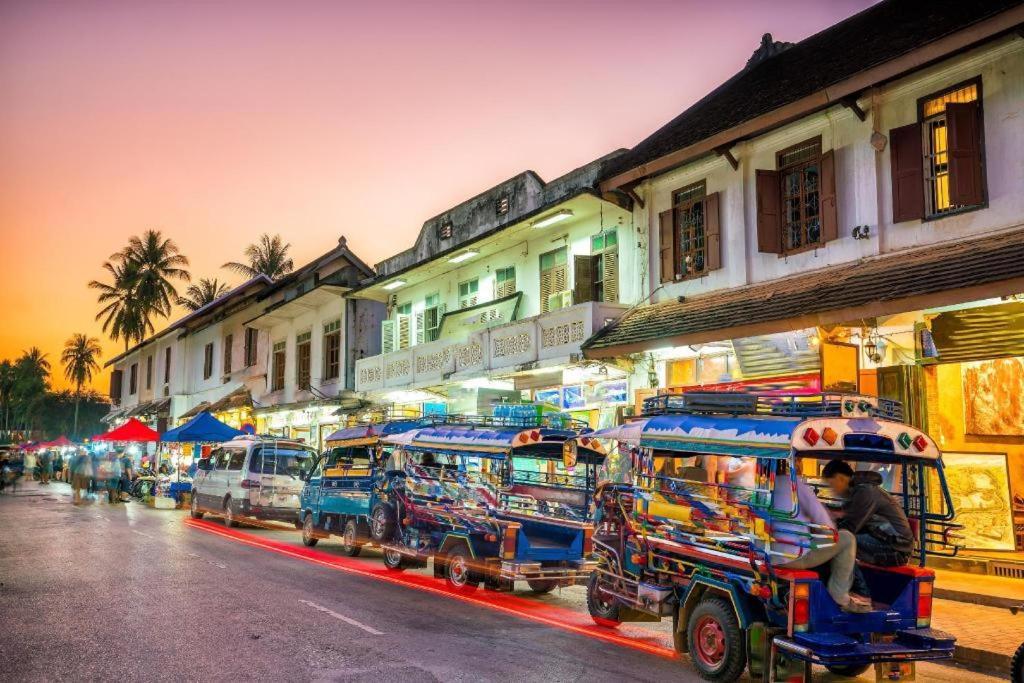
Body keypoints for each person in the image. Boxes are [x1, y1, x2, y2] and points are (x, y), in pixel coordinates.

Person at [771, 461, 871, 613]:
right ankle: (840, 594)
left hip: (768, 554)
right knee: (847, 538)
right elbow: (826, 525)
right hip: (793, 556)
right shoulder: (795, 485)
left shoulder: (763, 485)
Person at [822, 459, 915, 568]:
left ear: (840, 478)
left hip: (896, 549)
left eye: (831, 485)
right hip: (888, 542)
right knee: (839, 540)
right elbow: (846, 518)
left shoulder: (865, 492)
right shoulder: (858, 491)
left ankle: (853, 584)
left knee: (842, 540)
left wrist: (825, 531)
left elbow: (851, 526)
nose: (832, 490)